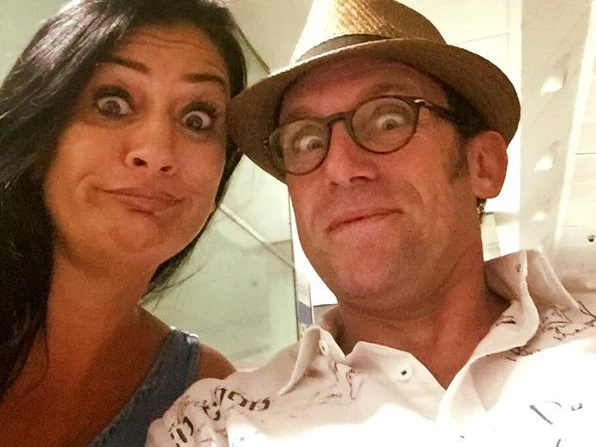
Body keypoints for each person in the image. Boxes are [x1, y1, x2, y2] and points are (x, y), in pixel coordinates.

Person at [148, 0, 596, 445]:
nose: (341, 168)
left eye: (388, 120)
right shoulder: (213, 427)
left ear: (483, 165)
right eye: (306, 142)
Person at [0, 0, 246, 445]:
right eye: (112, 104)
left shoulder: (208, 401)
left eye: (197, 119)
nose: (157, 152)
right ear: (40, 140)